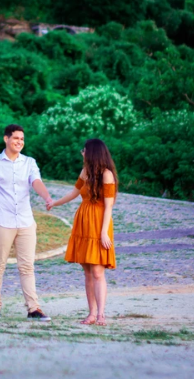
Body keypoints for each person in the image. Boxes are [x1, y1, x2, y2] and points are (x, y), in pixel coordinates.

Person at [0, 124, 53, 321]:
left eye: (22, 139)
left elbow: (36, 182)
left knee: (27, 267)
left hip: (25, 221)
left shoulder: (29, 162)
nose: (19, 142)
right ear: (6, 139)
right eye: (16, 138)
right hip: (1, 221)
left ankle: (33, 309)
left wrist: (47, 197)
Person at [47, 138, 117, 326]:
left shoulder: (107, 175)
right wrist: (54, 203)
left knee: (97, 271)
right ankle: (92, 314)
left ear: (92, 152)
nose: (82, 153)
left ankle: (101, 314)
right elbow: (74, 193)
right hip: (83, 222)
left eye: (84, 150)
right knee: (87, 272)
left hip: (99, 223)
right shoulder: (85, 172)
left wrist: (104, 232)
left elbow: (108, 206)